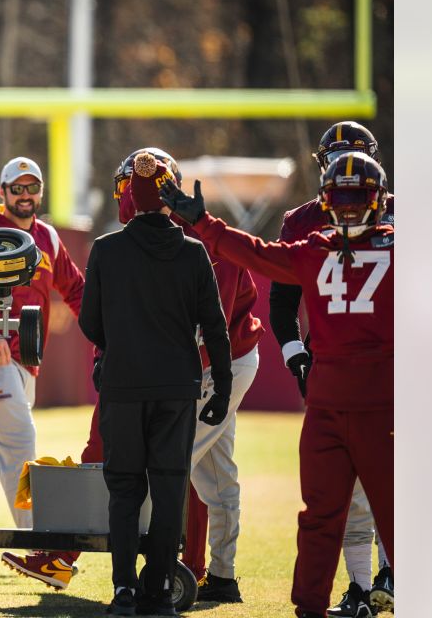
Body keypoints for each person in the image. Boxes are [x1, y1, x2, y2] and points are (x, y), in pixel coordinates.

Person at [162, 152, 394, 618]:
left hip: (377, 408)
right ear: (325, 202)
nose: (348, 210)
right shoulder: (319, 250)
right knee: (319, 518)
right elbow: (258, 254)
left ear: (379, 200)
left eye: (358, 199)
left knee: (392, 516)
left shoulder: (367, 249)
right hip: (330, 408)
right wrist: (205, 224)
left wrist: (207, 225)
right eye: (339, 199)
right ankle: (310, 608)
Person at [51, 148, 262, 602]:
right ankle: (178, 581)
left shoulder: (110, 248)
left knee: (127, 488)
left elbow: (91, 325)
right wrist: (218, 385)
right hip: (185, 379)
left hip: (136, 381)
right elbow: (216, 328)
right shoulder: (195, 248)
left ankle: (126, 587)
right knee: (178, 483)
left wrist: (126, 346)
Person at [269, 122, 394, 617]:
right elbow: (282, 303)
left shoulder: (394, 219)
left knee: (392, 491)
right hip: (331, 369)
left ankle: (389, 578)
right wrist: (295, 352)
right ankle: (363, 586)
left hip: (389, 372)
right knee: (341, 498)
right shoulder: (303, 221)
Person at [0, 157, 84, 584]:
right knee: (21, 438)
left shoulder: (48, 238)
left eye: (32, 188)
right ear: (2, 192)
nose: (26, 196)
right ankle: (37, 545)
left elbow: (75, 289)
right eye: (17, 188)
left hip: (26, 360)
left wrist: (108, 330)